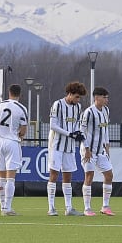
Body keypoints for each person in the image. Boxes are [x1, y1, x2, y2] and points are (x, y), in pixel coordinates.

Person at [47, 81, 86, 216]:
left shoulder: (78, 107)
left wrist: (78, 133)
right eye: (76, 96)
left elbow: (76, 124)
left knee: (68, 175)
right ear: (69, 94)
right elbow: (53, 125)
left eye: (79, 97)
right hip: (56, 145)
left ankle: (68, 207)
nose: (78, 99)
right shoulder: (58, 105)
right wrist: (69, 133)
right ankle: (51, 207)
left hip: (69, 147)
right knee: (54, 174)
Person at [0, 83, 29, 216]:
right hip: (12, 142)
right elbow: (23, 130)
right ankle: (7, 208)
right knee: (11, 178)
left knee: (1, 177)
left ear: (9, 92)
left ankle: (3, 207)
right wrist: (18, 134)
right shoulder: (21, 108)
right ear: (20, 94)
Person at [78, 86, 112, 216]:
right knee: (89, 176)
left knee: (109, 175)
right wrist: (86, 149)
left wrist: (107, 146)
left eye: (107, 97)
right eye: (104, 97)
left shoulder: (106, 111)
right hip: (89, 151)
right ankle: (87, 208)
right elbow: (82, 131)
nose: (106, 100)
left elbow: (106, 129)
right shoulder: (89, 112)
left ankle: (105, 206)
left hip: (100, 151)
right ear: (96, 97)